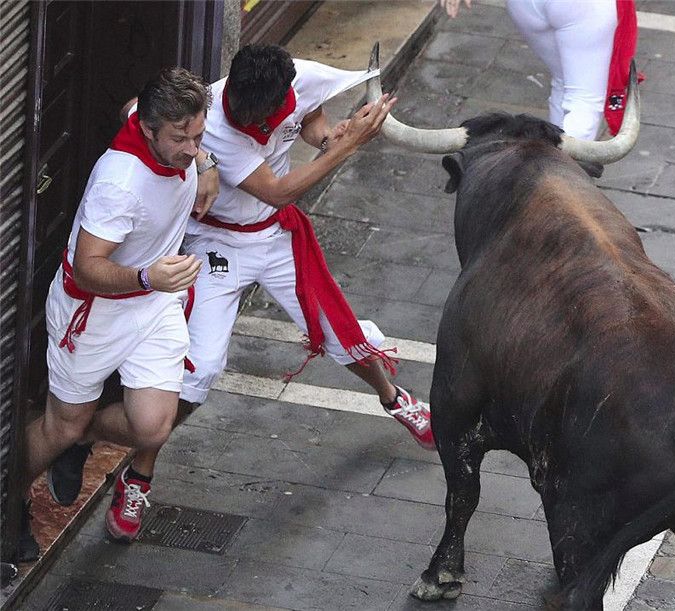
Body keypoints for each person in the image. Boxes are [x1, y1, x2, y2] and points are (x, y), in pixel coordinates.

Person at [47, 44, 435, 543]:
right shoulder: (213, 118)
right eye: (236, 113)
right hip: (216, 244)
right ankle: (134, 469)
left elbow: (309, 114)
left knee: (342, 330)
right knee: (199, 370)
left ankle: (394, 397)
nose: (247, 122)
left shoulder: (303, 80)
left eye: (262, 117)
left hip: (274, 237)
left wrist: (325, 135)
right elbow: (279, 190)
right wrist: (348, 146)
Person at [23, 67, 217, 549]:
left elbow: (131, 102)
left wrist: (206, 162)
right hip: (93, 315)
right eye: (182, 139)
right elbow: (87, 268)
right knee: (57, 428)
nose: (190, 149)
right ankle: (10, 505)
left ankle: (83, 432)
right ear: (149, 130)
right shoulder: (119, 184)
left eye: (199, 136)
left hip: (153, 306)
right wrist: (146, 276)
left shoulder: (155, 120)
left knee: (152, 426)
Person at [441, 0, 638, 140]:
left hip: (526, 6)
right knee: (584, 101)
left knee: (563, 80)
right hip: (584, 7)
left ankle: (555, 160)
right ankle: (563, 179)